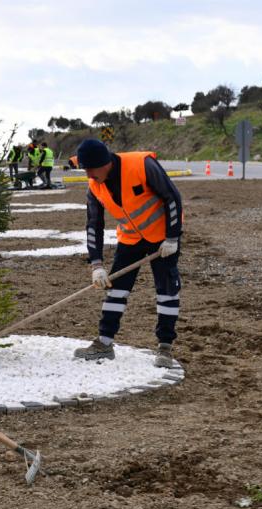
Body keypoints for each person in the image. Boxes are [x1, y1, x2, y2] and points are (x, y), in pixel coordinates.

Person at [72, 139, 183, 368]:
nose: (89, 175)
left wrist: (172, 237)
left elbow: (172, 197)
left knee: (166, 290)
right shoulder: (95, 186)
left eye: (91, 169)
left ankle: (165, 347)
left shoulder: (142, 165)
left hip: (162, 238)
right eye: (85, 170)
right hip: (131, 238)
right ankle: (104, 343)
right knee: (116, 288)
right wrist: (97, 265)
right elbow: (94, 224)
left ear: (105, 163)